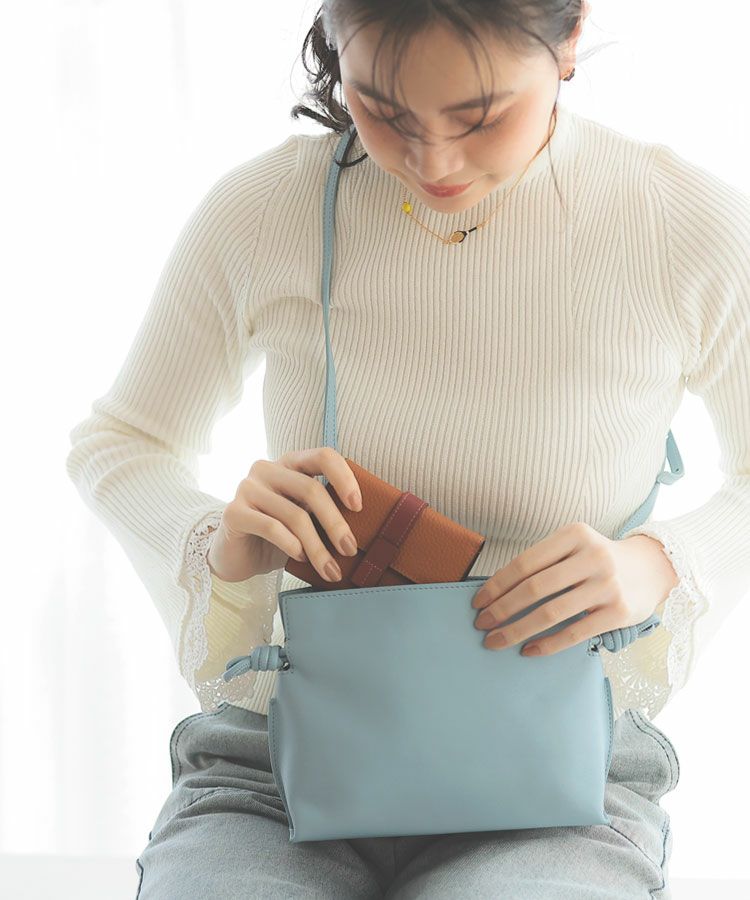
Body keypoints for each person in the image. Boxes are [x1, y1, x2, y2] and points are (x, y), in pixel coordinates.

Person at [65, 1, 750, 897]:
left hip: (555, 776)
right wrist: (218, 540)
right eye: (383, 111)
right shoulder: (268, 208)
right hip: (278, 764)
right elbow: (122, 444)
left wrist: (659, 564)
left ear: (571, 37)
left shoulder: (677, 223)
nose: (434, 162)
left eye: (480, 117)